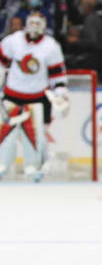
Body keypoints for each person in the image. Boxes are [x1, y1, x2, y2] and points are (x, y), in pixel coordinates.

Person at [0, 12, 68, 181]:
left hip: (37, 99)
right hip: (11, 97)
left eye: (38, 23)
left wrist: (60, 94)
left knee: (36, 136)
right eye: (31, 22)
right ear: (26, 23)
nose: (34, 26)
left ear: (44, 26)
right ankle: (2, 165)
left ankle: (35, 167)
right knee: (5, 136)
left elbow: (57, 75)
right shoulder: (12, 41)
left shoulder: (51, 46)